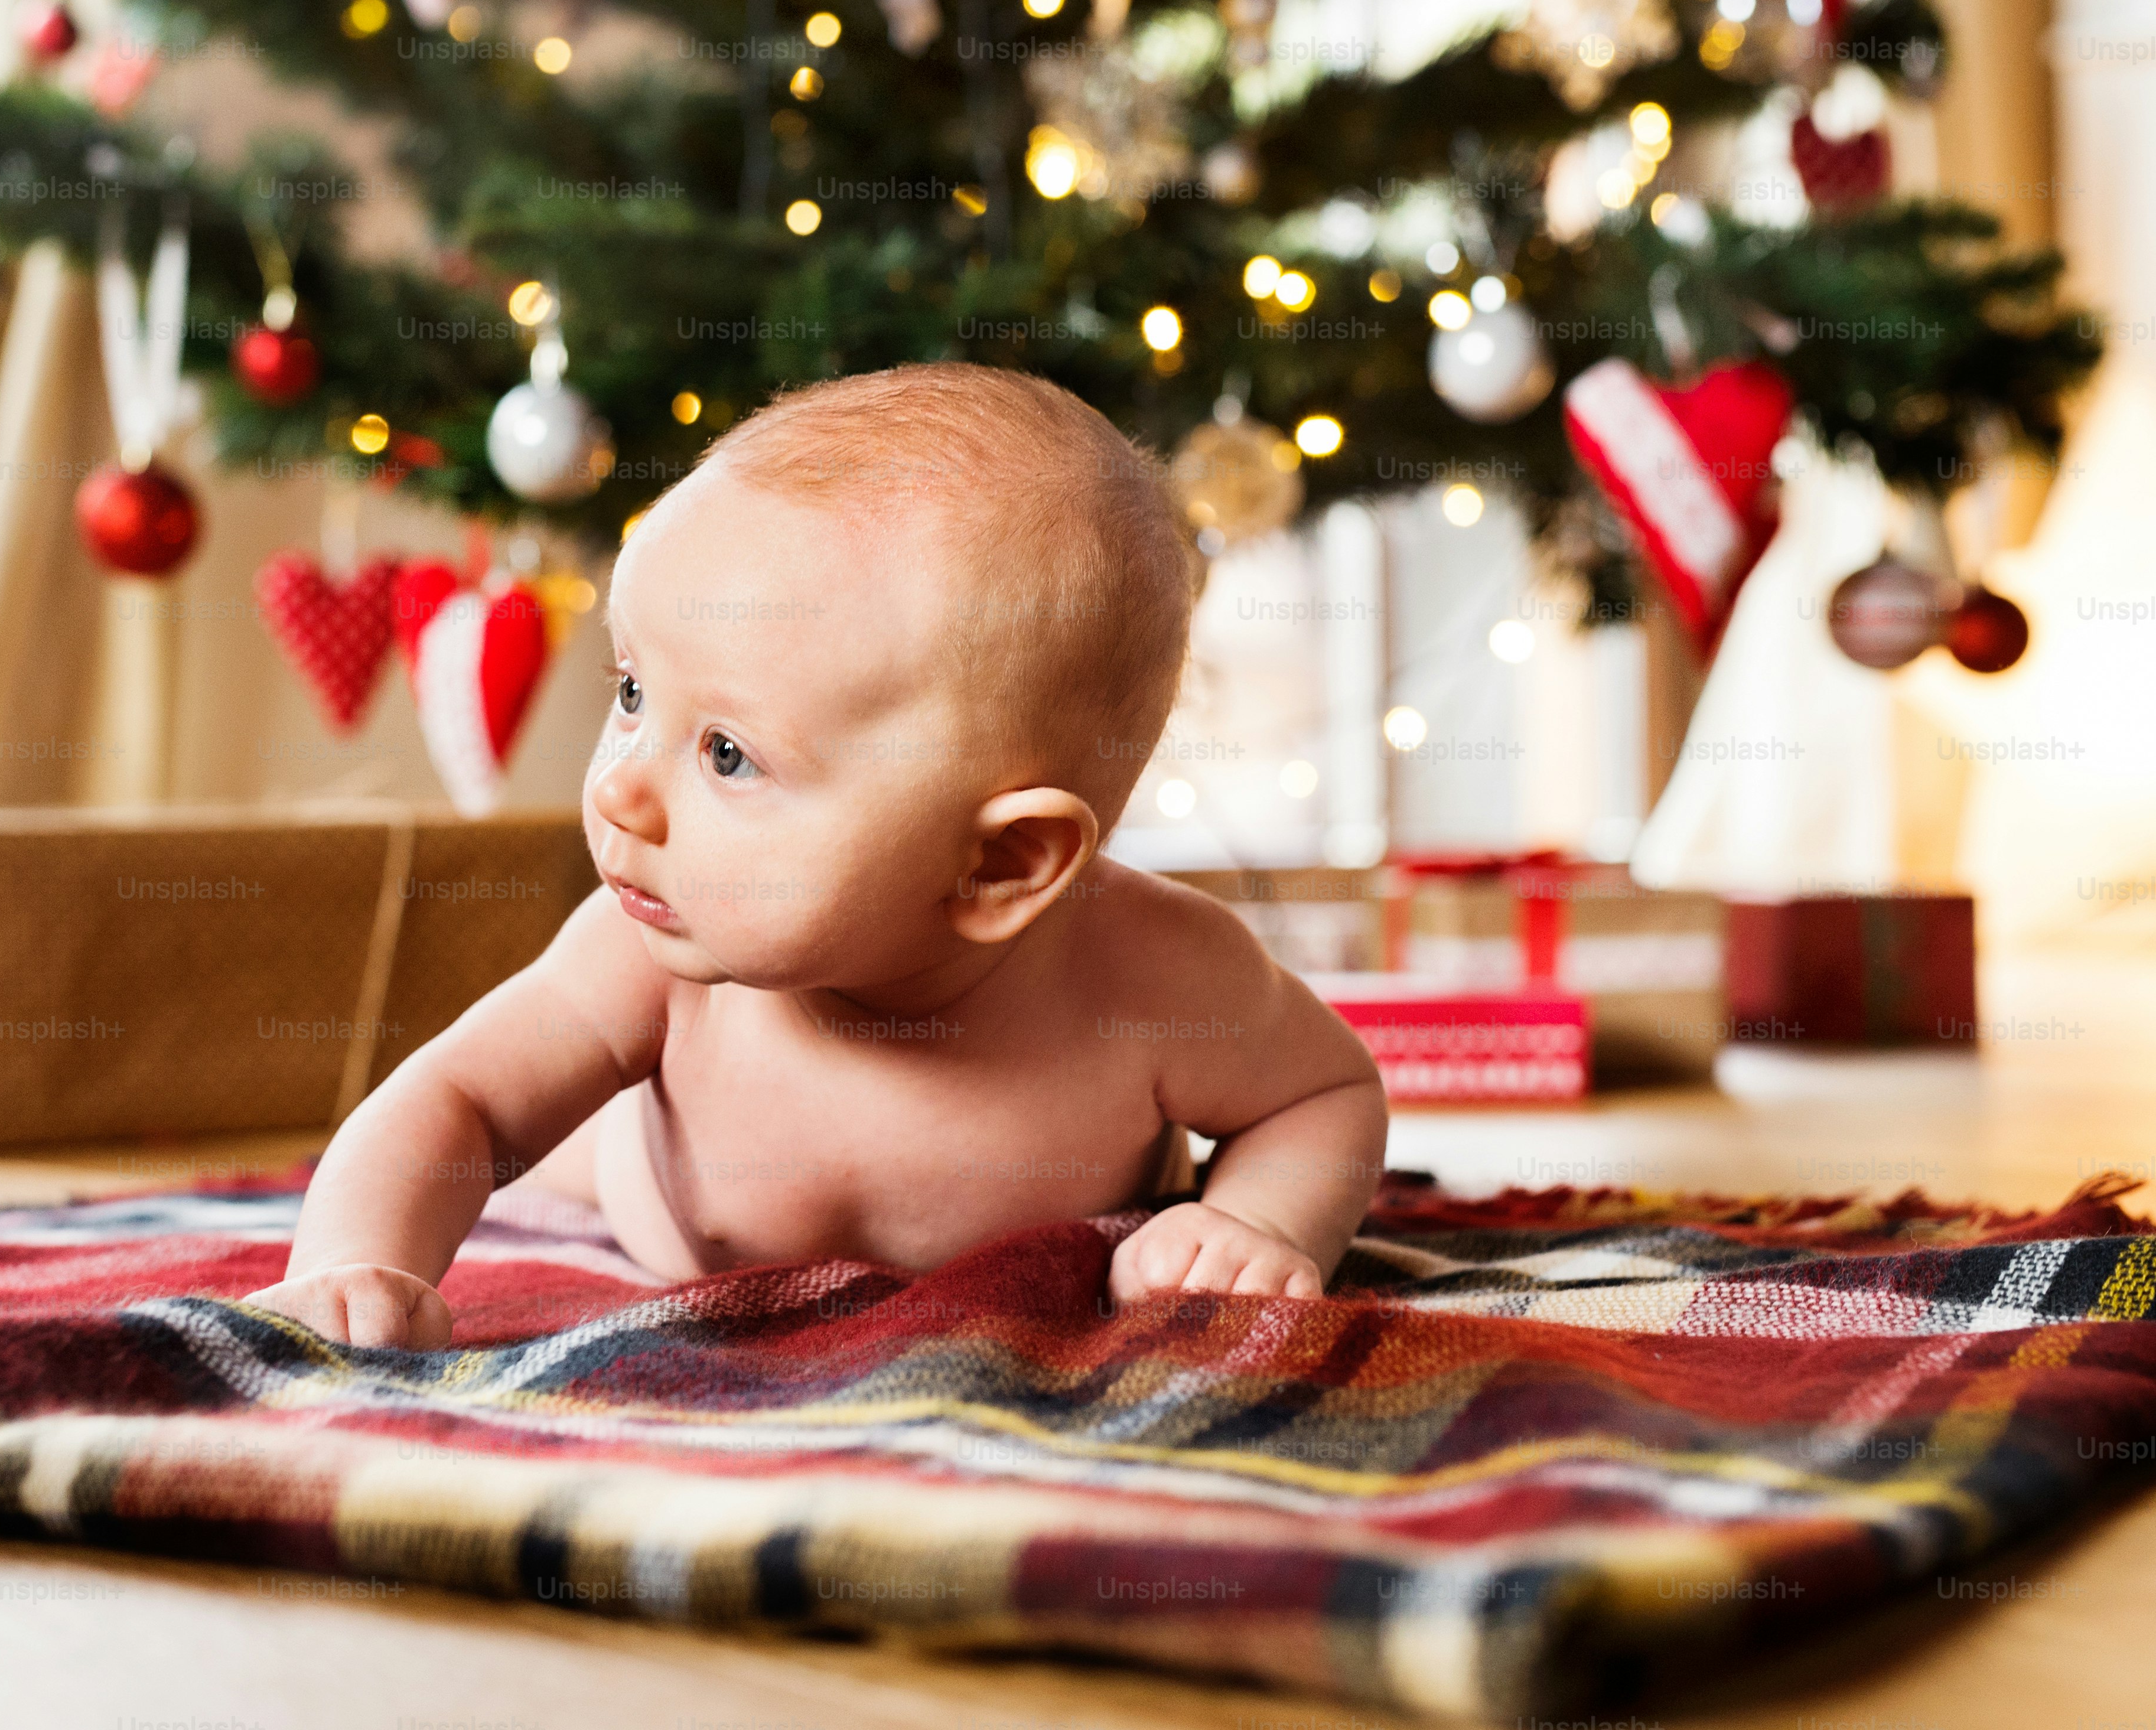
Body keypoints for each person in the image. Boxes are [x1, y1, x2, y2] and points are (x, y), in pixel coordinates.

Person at [252, 364, 1387, 1347]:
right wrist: (357, 1267)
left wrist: (1257, 1225)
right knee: (558, 1125)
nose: (617, 789)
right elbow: (458, 1102)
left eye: (730, 755)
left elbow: (1325, 1093)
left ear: (1001, 866)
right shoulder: (646, 962)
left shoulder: (1158, 976)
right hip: (634, 1180)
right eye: (634, 691)